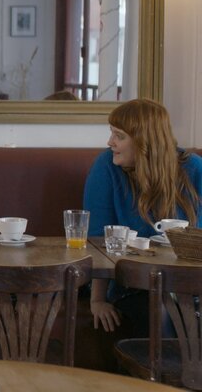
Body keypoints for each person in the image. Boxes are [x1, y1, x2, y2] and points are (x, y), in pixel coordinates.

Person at [84, 98, 202, 334]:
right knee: (161, 311)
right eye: (112, 133)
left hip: (187, 284)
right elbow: (97, 241)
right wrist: (97, 300)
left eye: (119, 136)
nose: (110, 142)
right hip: (133, 285)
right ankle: (162, 372)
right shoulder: (107, 166)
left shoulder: (195, 169)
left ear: (144, 141)